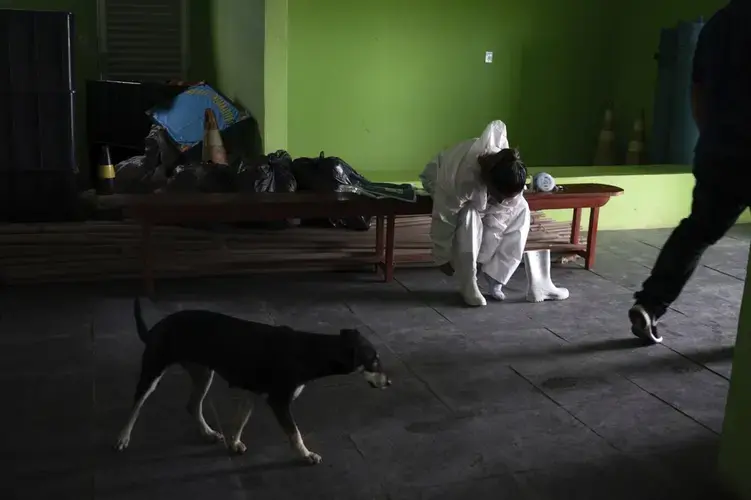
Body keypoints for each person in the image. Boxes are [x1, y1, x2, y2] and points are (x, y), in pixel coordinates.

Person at [629, 0, 751, 344]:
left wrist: (712, 137)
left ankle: (650, 304)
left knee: (696, 231)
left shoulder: (720, 23)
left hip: (719, 150)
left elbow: (697, 89)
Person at [420, 120, 568, 307]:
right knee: (469, 214)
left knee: (522, 207)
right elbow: (444, 217)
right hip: (438, 178)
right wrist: (442, 256)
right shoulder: (461, 177)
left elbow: (499, 218)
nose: (500, 202)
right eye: (498, 196)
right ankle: (469, 283)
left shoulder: (510, 172)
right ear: (489, 183)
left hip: (484, 187)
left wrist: (483, 258)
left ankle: (496, 277)